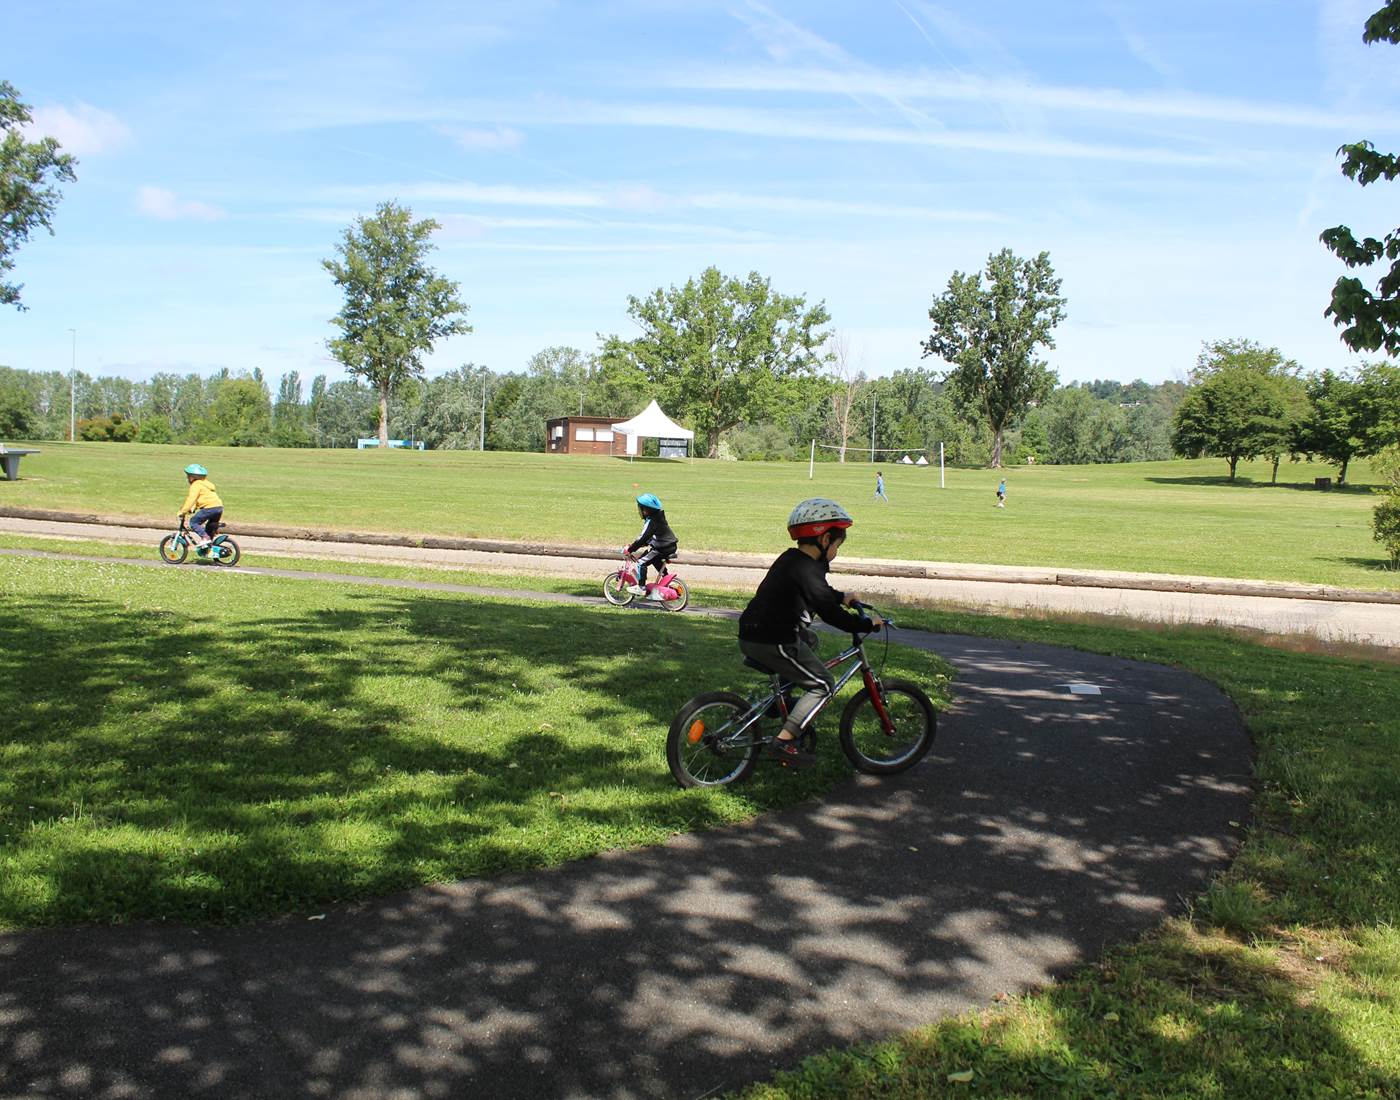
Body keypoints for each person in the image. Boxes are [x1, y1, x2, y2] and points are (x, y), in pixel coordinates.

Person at [738, 499, 881, 766]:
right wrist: (865, 624)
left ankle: (776, 701)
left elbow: (819, 594)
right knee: (824, 684)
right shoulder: (808, 571)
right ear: (825, 539)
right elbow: (830, 614)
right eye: (838, 545)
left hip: (752, 633)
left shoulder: (792, 559)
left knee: (809, 639)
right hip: (773, 640)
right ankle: (784, 742)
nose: (837, 551)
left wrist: (842, 596)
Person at [625, 492, 678, 596]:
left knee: (641, 562)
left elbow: (642, 537)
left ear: (645, 510)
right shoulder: (659, 518)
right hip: (670, 546)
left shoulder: (651, 522)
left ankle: (641, 588)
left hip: (661, 548)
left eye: (640, 508)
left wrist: (630, 549)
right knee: (654, 559)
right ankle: (668, 580)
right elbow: (655, 535)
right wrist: (647, 543)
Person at [178, 463, 224, 549]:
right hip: (219, 507)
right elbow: (199, 499)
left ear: (192, 477)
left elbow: (191, 499)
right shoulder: (206, 484)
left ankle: (205, 538)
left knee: (193, 522)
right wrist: (192, 509)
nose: (187, 478)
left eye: (188, 476)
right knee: (209, 528)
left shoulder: (196, 485)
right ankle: (209, 548)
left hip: (209, 508)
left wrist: (183, 511)